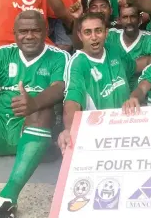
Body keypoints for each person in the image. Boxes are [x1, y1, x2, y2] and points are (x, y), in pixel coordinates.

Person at [0, 10, 69, 218]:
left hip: (32, 133)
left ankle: (7, 197)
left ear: (46, 31)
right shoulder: (1, 54)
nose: (29, 36)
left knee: (41, 110)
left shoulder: (58, 56)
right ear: (14, 33)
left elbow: (60, 87)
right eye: (23, 31)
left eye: (35, 30)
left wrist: (33, 102)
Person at [58, 12, 136, 154]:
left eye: (98, 31)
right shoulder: (78, 63)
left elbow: (131, 70)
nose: (94, 37)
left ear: (106, 32)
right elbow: (72, 102)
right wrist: (69, 130)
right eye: (88, 32)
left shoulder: (114, 49)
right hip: (100, 134)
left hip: (128, 127)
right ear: (80, 36)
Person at [108, 5, 151, 90]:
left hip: (143, 96)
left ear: (140, 19)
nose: (129, 21)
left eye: (133, 16)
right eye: (125, 17)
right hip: (114, 95)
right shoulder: (110, 36)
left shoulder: (150, 38)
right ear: (119, 20)